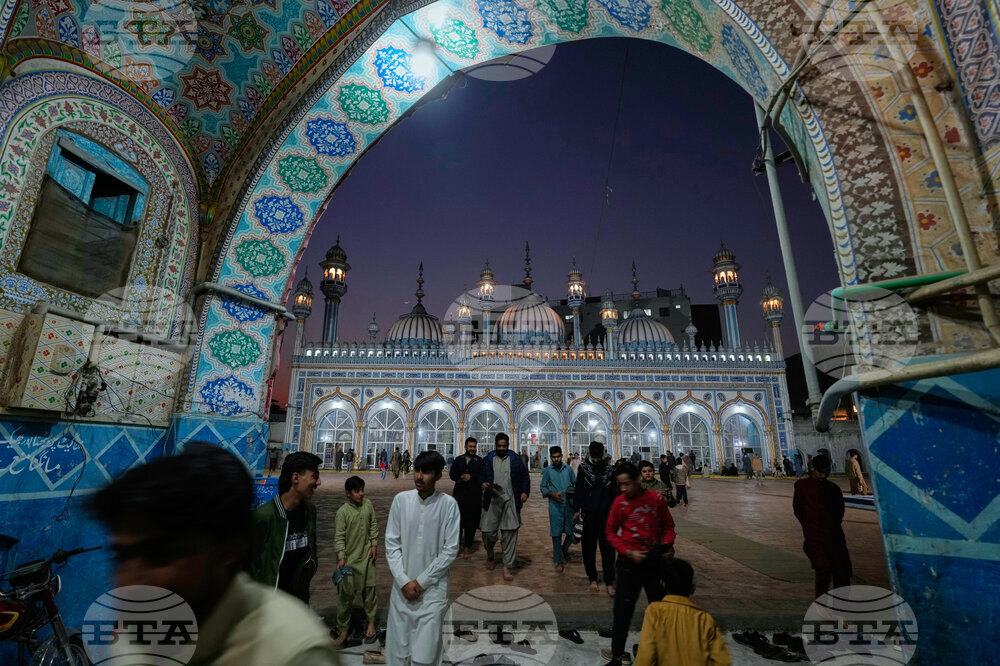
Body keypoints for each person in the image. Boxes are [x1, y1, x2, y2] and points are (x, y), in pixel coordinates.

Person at [90, 444, 339, 665]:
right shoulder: (133, 639)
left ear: (228, 547)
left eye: (159, 555)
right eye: (122, 556)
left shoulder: (294, 649)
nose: (129, 583)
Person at [385, 451, 461, 666]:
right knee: (397, 655)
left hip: (432, 593)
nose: (419, 476)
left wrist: (421, 582)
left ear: (438, 476)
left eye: (426, 472)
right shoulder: (401, 501)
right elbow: (392, 545)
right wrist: (403, 580)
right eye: (417, 470)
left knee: (425, 657)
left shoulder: (449, 505)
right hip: (402, 591)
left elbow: (450, 550)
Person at [602, 462, 676, 666]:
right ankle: (617, 657)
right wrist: (627, 551)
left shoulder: (655, 500)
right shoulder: (620, 503)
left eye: (627, 484)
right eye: (620, 485)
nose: (624, 489)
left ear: (637, 480)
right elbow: (610, 532)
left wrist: (668, 543)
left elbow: (668, 525)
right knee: (622, 615)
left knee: (659, 611)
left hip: (653, 563)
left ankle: (658, 653)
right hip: (628, 565)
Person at [250, 451, 321, 603]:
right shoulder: (264, 517)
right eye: (314, 476)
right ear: (295, 478)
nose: (319, 482)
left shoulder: (309, 512)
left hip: (298, 604)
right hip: (267, 607)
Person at [635, 558, 730, 665]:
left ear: (663, 585)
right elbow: (722, 661)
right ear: (692, 589)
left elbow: (645, 657)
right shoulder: (704, 619)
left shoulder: (655, 611)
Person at [793, 453, 852, 599]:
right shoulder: (802, 486)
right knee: (823, 570)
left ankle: (841, 610)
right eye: (820, 471)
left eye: (825, 472)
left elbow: (839, 512)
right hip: (815, 537)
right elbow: (798, 510)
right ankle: (821, 605)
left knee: (842, 571)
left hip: (834, 536)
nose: (822, 475)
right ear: (812, 468)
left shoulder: (833, 488)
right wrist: (810, 525)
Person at [333, 476, 379, 645]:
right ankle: (343, 629)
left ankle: (371, 623)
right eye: (357, 491)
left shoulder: (368, 505)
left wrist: (374, 545)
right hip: (349, 561)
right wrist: (341, 556)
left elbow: (373, 525)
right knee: (345, 596)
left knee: (370, 592)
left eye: (362, 490)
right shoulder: (342, 512)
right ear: (347, 493)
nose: (361, 493)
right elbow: (339, 537)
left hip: (367, 557)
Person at [481, 433, 531, 581]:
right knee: (488, 532)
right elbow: (481, 476)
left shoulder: (516, 459)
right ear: (495, 445)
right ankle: (490, 554)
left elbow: (525, 477)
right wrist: (482, 483)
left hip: (510, 500)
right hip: (492, 500)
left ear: (508, 445)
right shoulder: (488, 459)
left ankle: (507, 566)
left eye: (504, 446)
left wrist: (524, 492)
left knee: (510, 533)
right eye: (499, 446)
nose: (502, 448)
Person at [573, 441, 617, 595]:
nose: (597, 460)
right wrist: (577, 510)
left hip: (606, 514)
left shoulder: (609, 469)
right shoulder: (583, 468)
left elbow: (614, 492)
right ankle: (592, 578)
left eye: (599, 457)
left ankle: (609, 581)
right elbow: (579, 490)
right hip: (588, 514)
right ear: (590, 454)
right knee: (588, 549)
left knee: (608, 550)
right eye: (595, 457)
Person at [540, 446, 576, 572]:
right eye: (554, 457)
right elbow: (543, 487)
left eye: (558, 457)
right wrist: (552, 494)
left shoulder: (569, 470)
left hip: (569, 506)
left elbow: (575, 483)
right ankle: (558, 560)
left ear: (561, 456)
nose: (556, 459)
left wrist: (571, 493)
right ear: (550, 458)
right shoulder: (548, 471)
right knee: (556, 534)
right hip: (555, 506)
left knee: (571, 532)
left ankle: (563, 550)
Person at [449, 437, 483, 559]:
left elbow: (482, 475)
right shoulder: (459, 460)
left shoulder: (479, 461)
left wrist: (471, 477)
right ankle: (456, 546)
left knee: (471, 523)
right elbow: (452, 474)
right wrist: (460, 477)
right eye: (470, 446)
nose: (472, 449)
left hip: (474, 497)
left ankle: (468, 546)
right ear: (465, 447)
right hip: (459, 496)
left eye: (474, 447)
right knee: (457, 522)